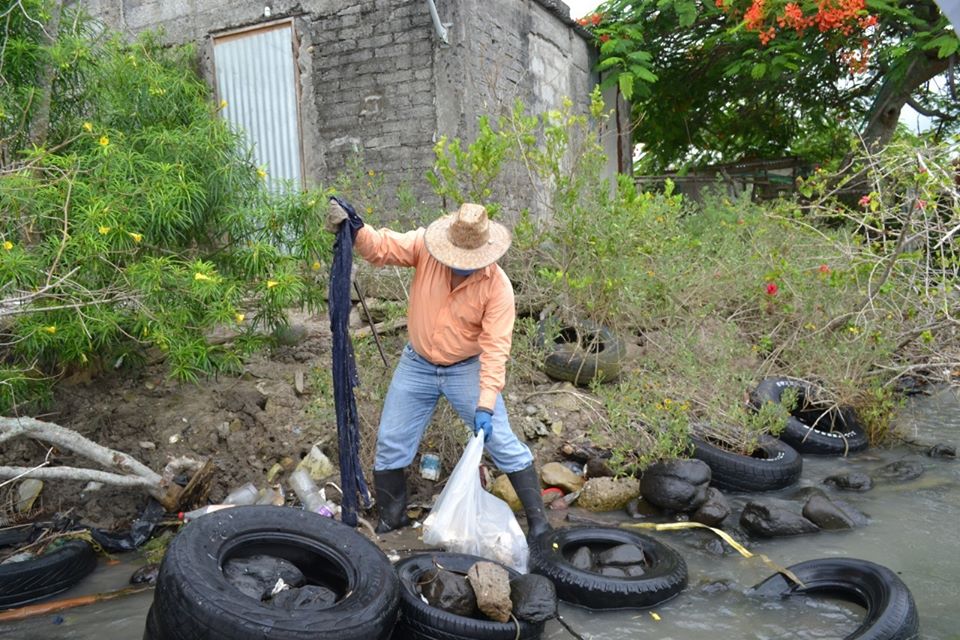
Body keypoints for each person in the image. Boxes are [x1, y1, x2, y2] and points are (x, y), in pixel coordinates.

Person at [326, 199, 551, 540]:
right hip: (417, 364)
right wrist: (354, 227)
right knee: (391, 442)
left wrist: (486, 404)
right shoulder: (426, 246)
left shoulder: (497, 288)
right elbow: (382, 247)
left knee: (502, 442)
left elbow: (495, 350)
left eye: (468, 263)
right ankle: (393, 521)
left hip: (466, 369)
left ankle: (539, 524)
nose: (460, 267)